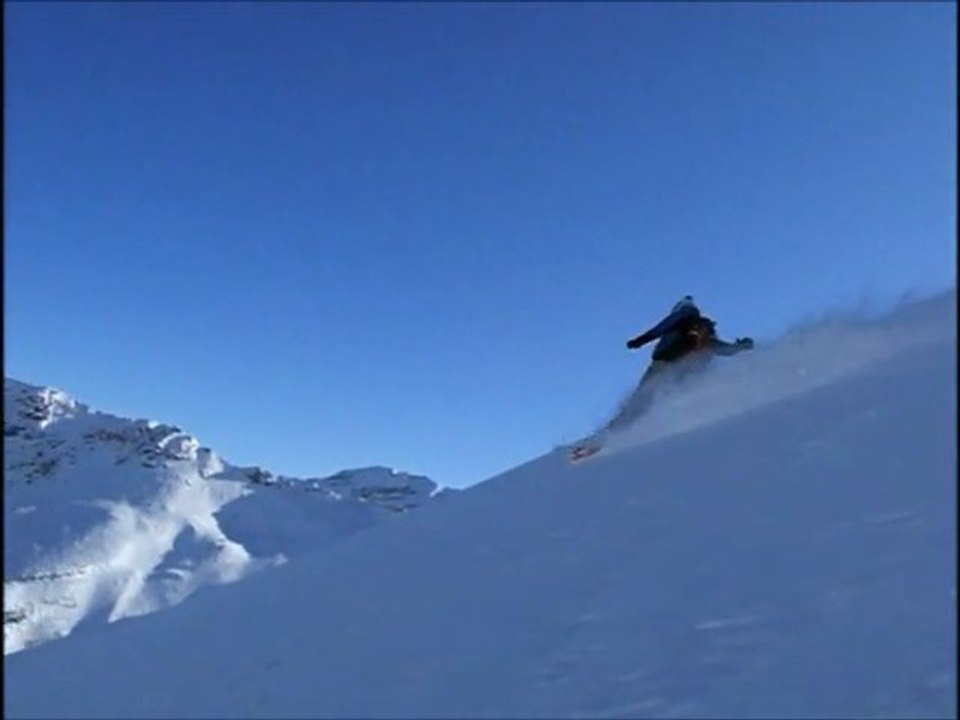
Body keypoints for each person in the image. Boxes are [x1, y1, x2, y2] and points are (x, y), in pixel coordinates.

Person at [606, 295, 754, 431]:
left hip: (665, 362)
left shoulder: (682, 315)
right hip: (685, 372)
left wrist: (640, 340)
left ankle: (616, 429)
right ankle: (649, 429)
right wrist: (741, 347)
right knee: (665, 400)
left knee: (642, 397)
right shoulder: (704, 329)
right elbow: (720, 348)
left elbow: (661, 327)